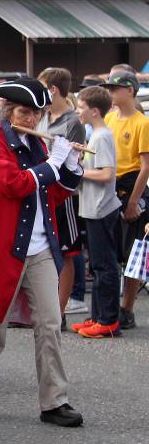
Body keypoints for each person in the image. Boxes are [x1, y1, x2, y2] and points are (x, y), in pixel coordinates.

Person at [0, 78, 84, 427]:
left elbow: (53, 193)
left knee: (50, 324)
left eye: (38, 113)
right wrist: (53, 163)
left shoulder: (38, 144)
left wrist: (70, 165)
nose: (33, 119)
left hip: (39, 247)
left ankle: (54, 401)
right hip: (1, 246)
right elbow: (14, 184)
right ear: (8, 110)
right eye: (25, 112)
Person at [70, 86, 122, 338]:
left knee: (104, 266)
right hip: (94, 208)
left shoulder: (101, 136)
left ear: (94, 111)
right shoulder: (97, 135)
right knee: (99, 267)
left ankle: (108, 320)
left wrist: (79, 171)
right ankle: (98, 317)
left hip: (101, 209)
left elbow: (107, 174)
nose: (78, 112)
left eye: (81, 107)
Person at [35, 67, 87, 319]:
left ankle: (60, 311)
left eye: (43, 87)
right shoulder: (43, 116)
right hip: (41, 188)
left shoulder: (72, 121)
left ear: (53, 90)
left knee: (66, 253)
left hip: (63, 194)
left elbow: (76, 161)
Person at [100, 70, 149, 330]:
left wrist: (133, 202)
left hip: (132, 186)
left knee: (133, 253)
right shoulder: (108, 118)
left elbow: (145, 167)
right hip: (110, 185)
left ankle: (127, 308)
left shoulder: (142, 123)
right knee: (111, 250)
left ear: (130, 90)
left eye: (115, 88)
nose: (110, 92)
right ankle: (109, 306)